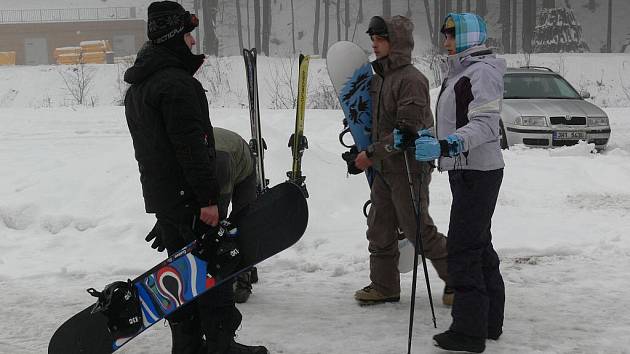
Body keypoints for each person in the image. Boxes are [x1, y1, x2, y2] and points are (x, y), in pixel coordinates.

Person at [124, 2, 267, 353]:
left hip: (167, 200)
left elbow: (152, 155)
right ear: (174, 36)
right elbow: (191, 148)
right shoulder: (176, 85)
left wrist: (164, 207)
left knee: (183, 276)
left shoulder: (138, 89)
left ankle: (187, 345)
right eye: (188, 34)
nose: (192, 42)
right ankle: (221, 344)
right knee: (212, 269)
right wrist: (208, 199)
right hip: (191, 199)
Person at [412, 13, 506, 353]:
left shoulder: (481, 72)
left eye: (452, 33)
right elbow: (458, 120)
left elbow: (485, 126)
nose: (445, 39)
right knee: (478, 244)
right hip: (466, 169)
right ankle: (489, 322)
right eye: (444, 33)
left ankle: (468, 332)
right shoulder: (463, 71)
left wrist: (445, 145)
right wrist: (428, 136)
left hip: (477, 171)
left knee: (465, 249)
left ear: (469, 36)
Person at [352, 15, 451, 305]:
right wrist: (363, 150)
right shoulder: (380, 79)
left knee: (418, 231)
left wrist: (370, 154)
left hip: (408, 168)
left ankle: (460, 279)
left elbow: (404, 135)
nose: (374, 44)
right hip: (385, 167)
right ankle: (384, 286)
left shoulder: (412, 81)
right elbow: (377, 124)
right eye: (373, 39)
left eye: (381, 39)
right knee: (379, 227)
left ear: (396, 44)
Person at [213, 127, 259, 304]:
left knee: (241, 222)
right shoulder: (179, 157)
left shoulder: (220, 164)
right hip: (222, 155)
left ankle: (243, 277)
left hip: (243, 164)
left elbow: (218, 216)